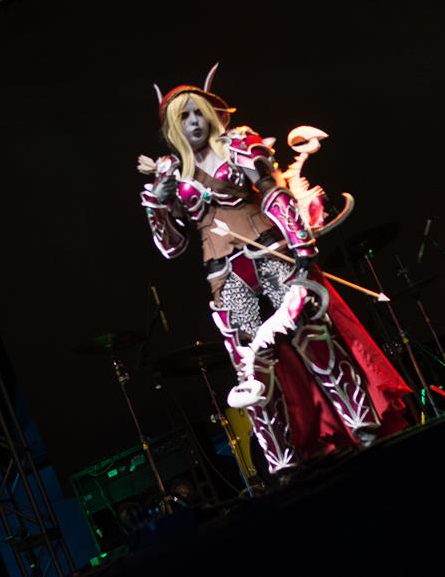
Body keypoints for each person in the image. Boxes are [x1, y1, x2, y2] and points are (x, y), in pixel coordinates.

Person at [137, 65, 409, 477]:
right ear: (173, 127)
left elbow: (272, 193)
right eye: (184, 116)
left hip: (271, 252)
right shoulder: (171, 174)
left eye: (198, 113)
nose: (193, 122)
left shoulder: (237, 144)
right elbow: (172, 247)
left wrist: (301, 247)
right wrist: (158, 202)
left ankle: (363, 426)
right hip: (224, 273)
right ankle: (284, 463)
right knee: (253, 369)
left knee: (313, 341)